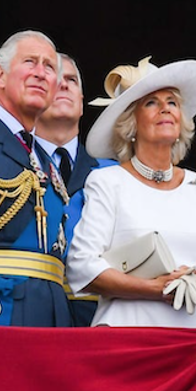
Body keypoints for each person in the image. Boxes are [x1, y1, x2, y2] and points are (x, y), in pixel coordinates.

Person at [66, 56, 196, 327]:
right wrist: (157, 289)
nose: (165, 109)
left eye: (172, 102)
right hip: (131, 335)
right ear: (131, 125)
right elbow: (83, 267)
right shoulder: (107, 182)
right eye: (151, 103)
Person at [0, 30, 73, 326]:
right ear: (0, 75)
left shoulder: (42, 156)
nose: (41, 74)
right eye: (30, 62)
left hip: (49, 313)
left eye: (49, 67)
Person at [35, 53, 116, 326]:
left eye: (71, 80)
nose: (63, 85)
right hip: (28, 316)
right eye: (53, 79)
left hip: (101, 319)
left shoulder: (115, 174)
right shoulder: (9, 167)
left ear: (82, 102)